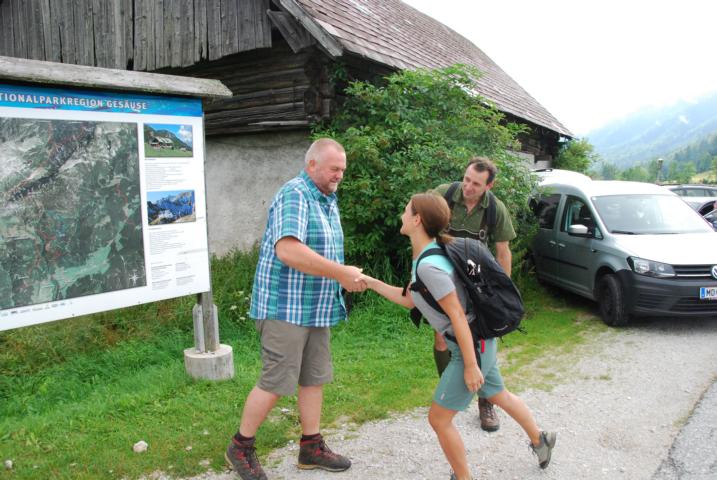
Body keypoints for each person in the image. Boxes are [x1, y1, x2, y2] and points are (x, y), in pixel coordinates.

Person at [358, 193, 555, 480]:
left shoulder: (429, 265)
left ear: (417, 220)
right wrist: (371, 283)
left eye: (405, 210)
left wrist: (471, 364)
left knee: (438, 418)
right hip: (480, 342)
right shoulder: (429, 254)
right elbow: (411, 299)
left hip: (471, 346)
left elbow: (457, 316)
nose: (401, 215)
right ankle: (541, 440)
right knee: (499, 395)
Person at [225, 138, 366, 480]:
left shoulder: (327, 198)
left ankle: (310, 447)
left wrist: (341, 277)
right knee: (276, 382)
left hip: (315, 307)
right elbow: (288, 250)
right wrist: (340, 273)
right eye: (334, 169)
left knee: (314, 378)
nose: (339, 176)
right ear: (312, 165)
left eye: (342, 170)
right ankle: (240, 447)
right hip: (284, 308)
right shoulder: (295, 194)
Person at [432, 156, 516, 432]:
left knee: (481, 338)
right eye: (467, 179)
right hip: (442, 274)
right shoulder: (443, 194)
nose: (468, 187)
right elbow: (419, 225)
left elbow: (503, 251)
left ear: (488, 186)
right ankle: (451, 392)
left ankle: (485, 402)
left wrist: (501, 294)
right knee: (442, 336)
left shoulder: (495, 209)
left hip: (476, 281)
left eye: (476, 183)